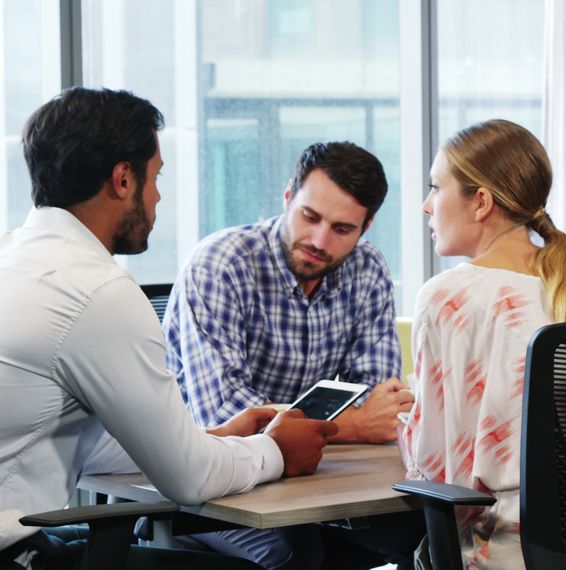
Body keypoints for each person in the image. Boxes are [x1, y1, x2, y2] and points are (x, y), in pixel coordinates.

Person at [0, 87, 337, 569]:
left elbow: (73, 440)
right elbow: (188, 481)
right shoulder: (97, 291)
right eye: (155, 177)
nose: (157, 196)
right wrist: (276, 451)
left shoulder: (13, 255)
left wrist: (214, 438)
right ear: (122, 179)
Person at [163, 142, 422, 568]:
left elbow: (379, 402)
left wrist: (355, 421)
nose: (320, 241)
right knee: (295, 552)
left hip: (314, 480)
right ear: (288, 197)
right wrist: (353, 424)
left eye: (342, 229)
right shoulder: (220, 266)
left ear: (367, 225)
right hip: (212, 485)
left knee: (424, 528)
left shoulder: (368, 268)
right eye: (310, 216)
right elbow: (226, 412)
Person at [401, 119, 566, 569]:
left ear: (481, 202)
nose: (427, 205)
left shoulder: (450, 296)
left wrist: (403, 432)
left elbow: (435, 468)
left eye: (435, 187)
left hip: (508, 551)